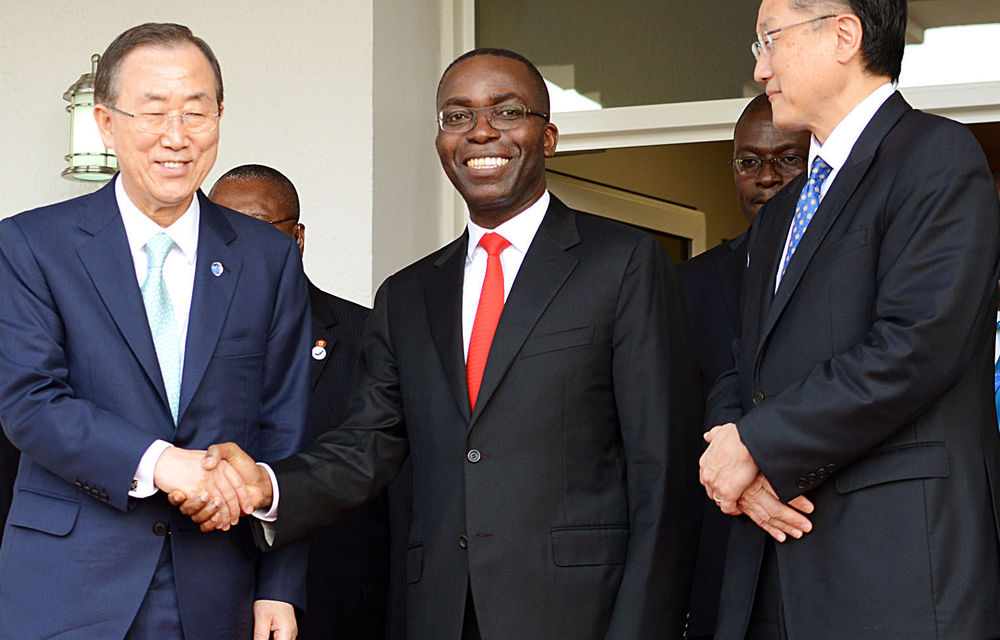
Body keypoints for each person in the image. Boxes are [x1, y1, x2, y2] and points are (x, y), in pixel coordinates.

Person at [179, 48, 703, 640]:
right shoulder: (407, 296)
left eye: (507, 111)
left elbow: (662, 471)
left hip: (580, 615)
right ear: (440, 142)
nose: (480, 131)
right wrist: (269, 486)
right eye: (457, 116)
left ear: (549, 137)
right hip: (442, 613)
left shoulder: (625, 264)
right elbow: (367, 445)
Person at [699, 0, 1000, 638]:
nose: (760, 69)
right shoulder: (783, 212)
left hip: (890, 570)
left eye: (769, 41)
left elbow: (914, 347)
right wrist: (733, 454)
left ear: (844, 36)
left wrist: (758, 445)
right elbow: (744, 362)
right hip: (769, 570)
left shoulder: (936, 157)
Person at [0, 23, 309, 640]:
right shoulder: (30, 245)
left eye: (196, 112)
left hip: (218, 582)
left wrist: (279, 586)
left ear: (219, 118)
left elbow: (286, 430)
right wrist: (163, 464)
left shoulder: (265, 258)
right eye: (153, 111)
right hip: (69, 582)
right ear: (105, 123)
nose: (177, 135)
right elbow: (29, 403)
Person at [210, 165, 396, 640]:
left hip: (338, 603)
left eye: (257, 228)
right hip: (211, 601)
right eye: (220, 230)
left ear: (298, 238)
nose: (238, 247)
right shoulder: (179, 344)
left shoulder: (367, 335)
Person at [677, 94, 809, 640]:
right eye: (749, 161)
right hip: (722, 537)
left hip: (817, 524)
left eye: (788, 159)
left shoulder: (848, 268)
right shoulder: (689, 283)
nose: (766, 177)